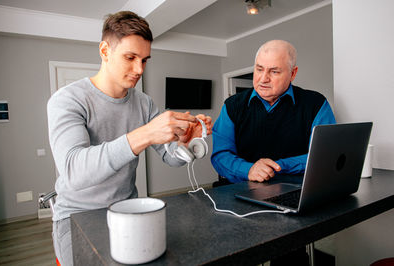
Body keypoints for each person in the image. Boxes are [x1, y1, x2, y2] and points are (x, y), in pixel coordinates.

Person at [47, 11, 211, 265]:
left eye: (144, 60)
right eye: (130, 57)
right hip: (77, 216)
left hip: (127, 210)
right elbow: (73, 170)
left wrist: (186, 143)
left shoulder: (143, 103)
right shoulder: (68, 99)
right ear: (104, 51)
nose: (139, 69)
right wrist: (144, 134)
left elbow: (170, 157)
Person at [211, 39, 336, 184]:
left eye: (274, 71)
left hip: (297, 190)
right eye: (259, 69)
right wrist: (249, 170)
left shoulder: (316, 104)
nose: (263, 79)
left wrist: (278, 166)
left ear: (293, 73)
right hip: (241, 192)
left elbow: (324, 154)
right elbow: (220, 155)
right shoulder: (232, 105)